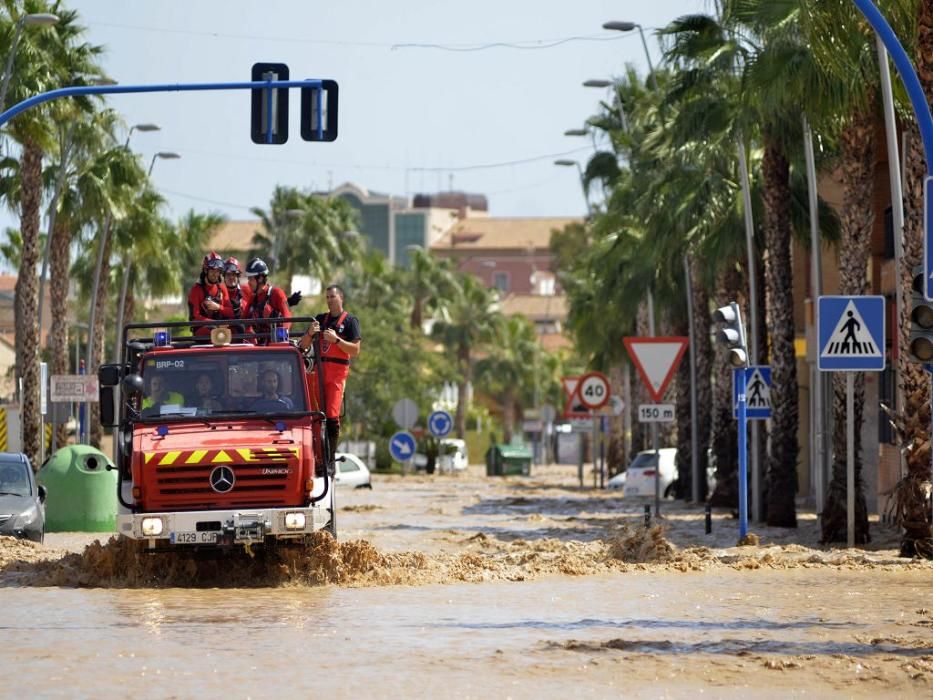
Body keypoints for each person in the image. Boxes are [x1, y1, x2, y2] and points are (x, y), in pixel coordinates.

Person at [298, 284, 361, 463]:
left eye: (333, 297)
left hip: (336, 373)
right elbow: (303, 345)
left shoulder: (350, 321)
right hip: (319, 371)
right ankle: (318, 456)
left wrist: (337, 340)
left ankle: (329, 460)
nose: (330, 300)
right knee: (317, 415)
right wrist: (310, 333)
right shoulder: (319, 319)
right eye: (327, 297)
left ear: (341, 298)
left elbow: (355, 350)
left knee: (332, 415)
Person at [244, 257, 291, 343]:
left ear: (260, 278)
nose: (248, 283)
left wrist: (280, 339)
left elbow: (287, 317)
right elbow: (243, 320)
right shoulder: (253, 298)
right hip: (259, 346)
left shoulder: (277, 293)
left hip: (277, 345)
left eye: (251, 279)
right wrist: (250, 335)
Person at [188, 251, 231, 336]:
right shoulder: (196, 290)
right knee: (214, 330)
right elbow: (195, 317)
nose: (215, 274)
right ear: (205, 270)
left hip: (221, 329)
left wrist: (218, 307)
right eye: (212, 270)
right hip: (202, 331)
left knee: (239, 327)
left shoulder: (222, 288)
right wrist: (216, 324)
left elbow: (230, 312)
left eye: (218, 271)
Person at [221, 256, 250, 338]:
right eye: (228, 274)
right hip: (224, 335)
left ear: (238, 276)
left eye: (234, 274)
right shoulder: (219, 292)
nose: (231, 277)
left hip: (246, 334)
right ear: (224, 276)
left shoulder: (247, 290)